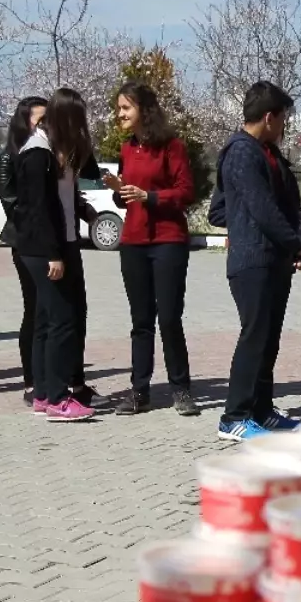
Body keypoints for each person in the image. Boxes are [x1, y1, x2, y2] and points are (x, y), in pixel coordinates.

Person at [210, 81, 301, 441]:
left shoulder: (266, 151)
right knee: (254, 337)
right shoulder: (241, 152)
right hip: (252, 260)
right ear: (269, 117)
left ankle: (262, 410)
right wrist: (295, 243)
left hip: (274, 260)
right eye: (283, 119)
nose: (285, 126)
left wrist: (292, 243)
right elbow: (260, 209)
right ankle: (234, 416)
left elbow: (230, 209)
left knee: (268, 338)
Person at [103, 81, 198, 417]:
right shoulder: (127, 148)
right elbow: (127, 196)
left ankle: (181, 389)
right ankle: (139, 391)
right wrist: (118, 191)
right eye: (119, 108)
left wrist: (151, 197)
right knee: (141, 321)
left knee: (169, 318)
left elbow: (186, 191)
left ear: (144, 109)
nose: (120, 114)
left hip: (168, 240)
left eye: (126, 107)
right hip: (133, 242)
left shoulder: (171, 146)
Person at [12, 88, 97, 422]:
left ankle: (45, 394)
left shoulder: (57, 150)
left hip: (64, 242)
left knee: (51, 320)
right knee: (60, 320)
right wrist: (53, 255)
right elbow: (38, 211)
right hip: (44, 249)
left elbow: (83, 173)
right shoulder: (37, 153)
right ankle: (59, 396)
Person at [0, 97, 47, 405]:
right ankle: (31, 379)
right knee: (34, 307)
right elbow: (13, 202)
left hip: (49, 240)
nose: (46, 127)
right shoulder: (9, 156)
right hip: (25, 242)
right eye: (40, 120)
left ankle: (52, 375)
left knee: (50, 310)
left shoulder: (47, 152)